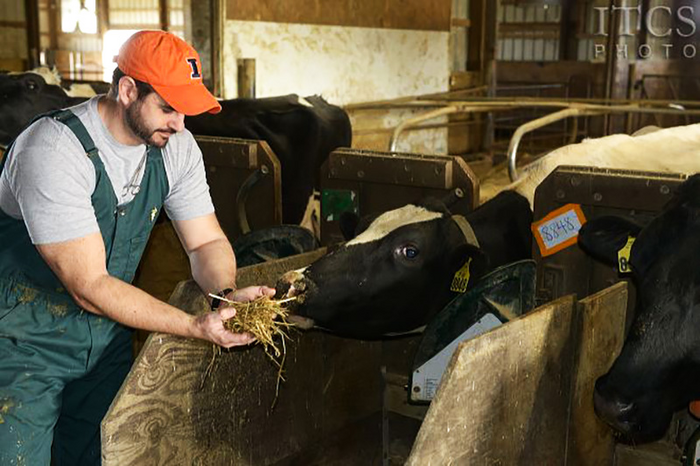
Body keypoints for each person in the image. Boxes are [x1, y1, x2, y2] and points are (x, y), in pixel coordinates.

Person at [0, 30, 273, 465]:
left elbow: (205, 241)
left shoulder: (176, 148)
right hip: (22, 348)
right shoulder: (53, 149)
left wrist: (224, 296)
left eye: (184, 110)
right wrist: (195, 325)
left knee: (100, 456)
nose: (180, 123)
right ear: (127, 90)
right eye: (167, 107)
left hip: (105, 341)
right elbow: (89, 285)